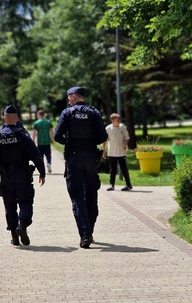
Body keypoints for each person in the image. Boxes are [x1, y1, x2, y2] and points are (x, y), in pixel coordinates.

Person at [54, 86, 108, 249]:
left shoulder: (67, 113)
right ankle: (89, 229)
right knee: (91, 193)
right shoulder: (94, 112)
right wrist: (90, 142)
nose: (68, 100)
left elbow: (57, 136)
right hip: (91, 158)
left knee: (77, 195)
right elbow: (103, 136)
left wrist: (69, 142)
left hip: (74, 158)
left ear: (75, 97)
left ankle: (85, 234)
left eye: (69, 97)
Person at [0, 105, 46, 246]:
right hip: (22, 175)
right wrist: (42, 172)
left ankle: (14, 236)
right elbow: (36, 155)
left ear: (4, 119)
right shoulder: (22, 135)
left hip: (6, 178)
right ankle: (23, 225)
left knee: (10, 206)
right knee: (25, 202)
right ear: (17, 119)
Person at [102, 113, 133, 191]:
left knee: (124, 169)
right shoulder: (108, 128)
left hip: (121, 153)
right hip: (111, 152)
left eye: (119, 119)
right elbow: (104, 140)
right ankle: (111, 185)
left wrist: (124, 144)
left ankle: (128, 185)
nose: (119, 121)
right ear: (112, 120)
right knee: (112, 169)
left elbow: (127, 138)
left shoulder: (122, 127)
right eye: (117, 119)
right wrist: (104, 151)